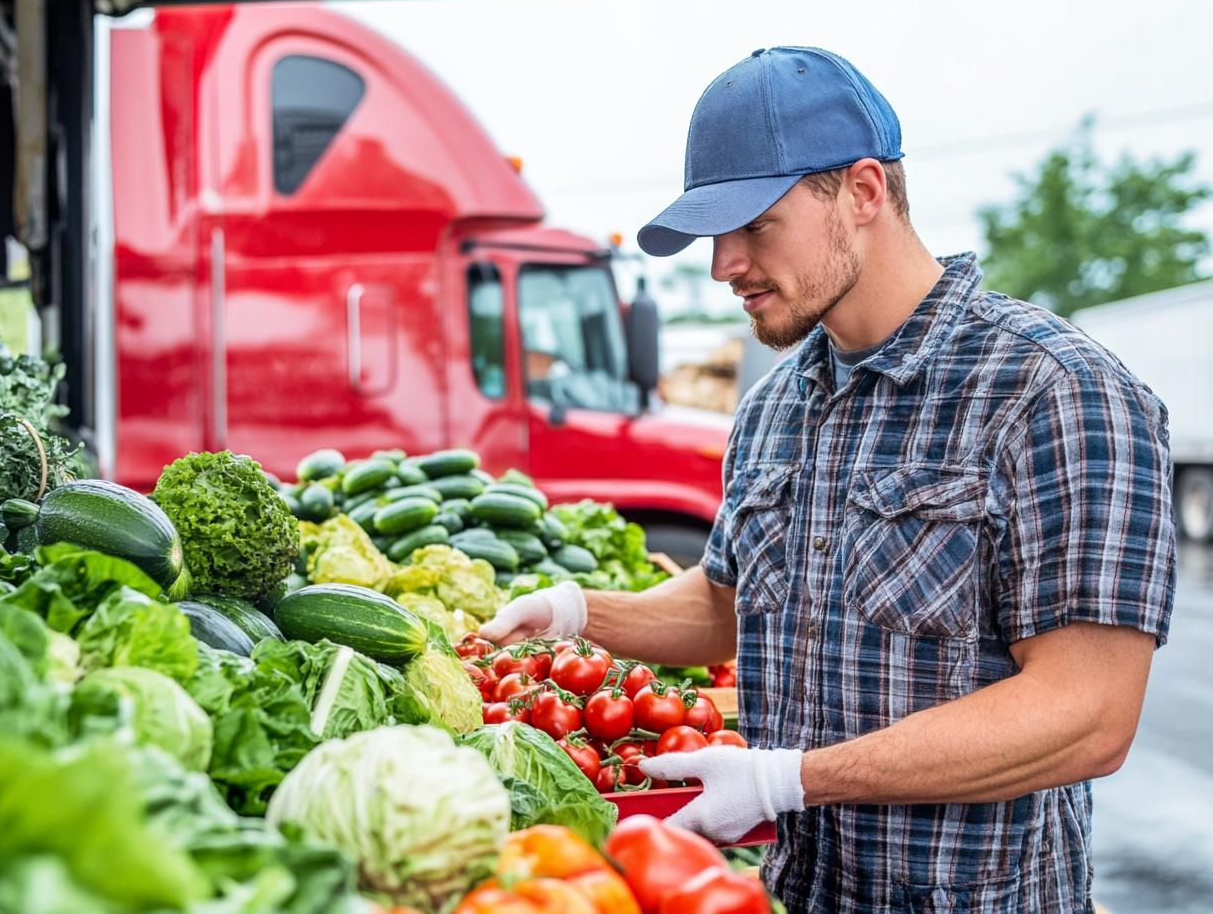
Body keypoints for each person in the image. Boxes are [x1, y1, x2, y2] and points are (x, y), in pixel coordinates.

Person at [479, 46, 1176, 913]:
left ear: (864, 191)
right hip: (793, 892)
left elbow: (1088, 715)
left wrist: (791, 781)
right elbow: (730, 604)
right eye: (712, 234)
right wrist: (578, 613)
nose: (722, 264)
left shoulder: (1055, 392)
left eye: (754, 225)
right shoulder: (777, 405)